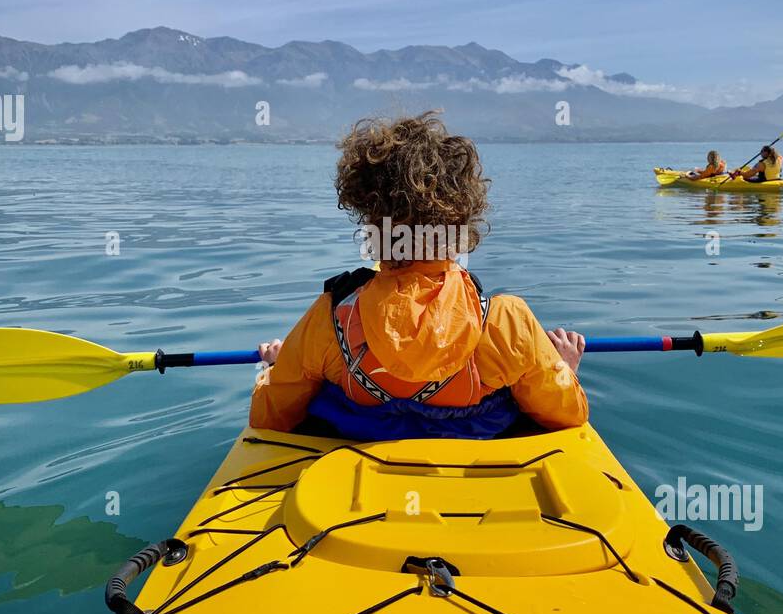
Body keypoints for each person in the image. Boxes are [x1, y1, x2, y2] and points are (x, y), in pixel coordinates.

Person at [250, 113, 588, 441]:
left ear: (371, 224)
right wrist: (564, 370)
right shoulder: (506, 322)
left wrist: (275, 370)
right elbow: (568, 414)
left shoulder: (328, 319)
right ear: (460, 224)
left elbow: (269, 418)